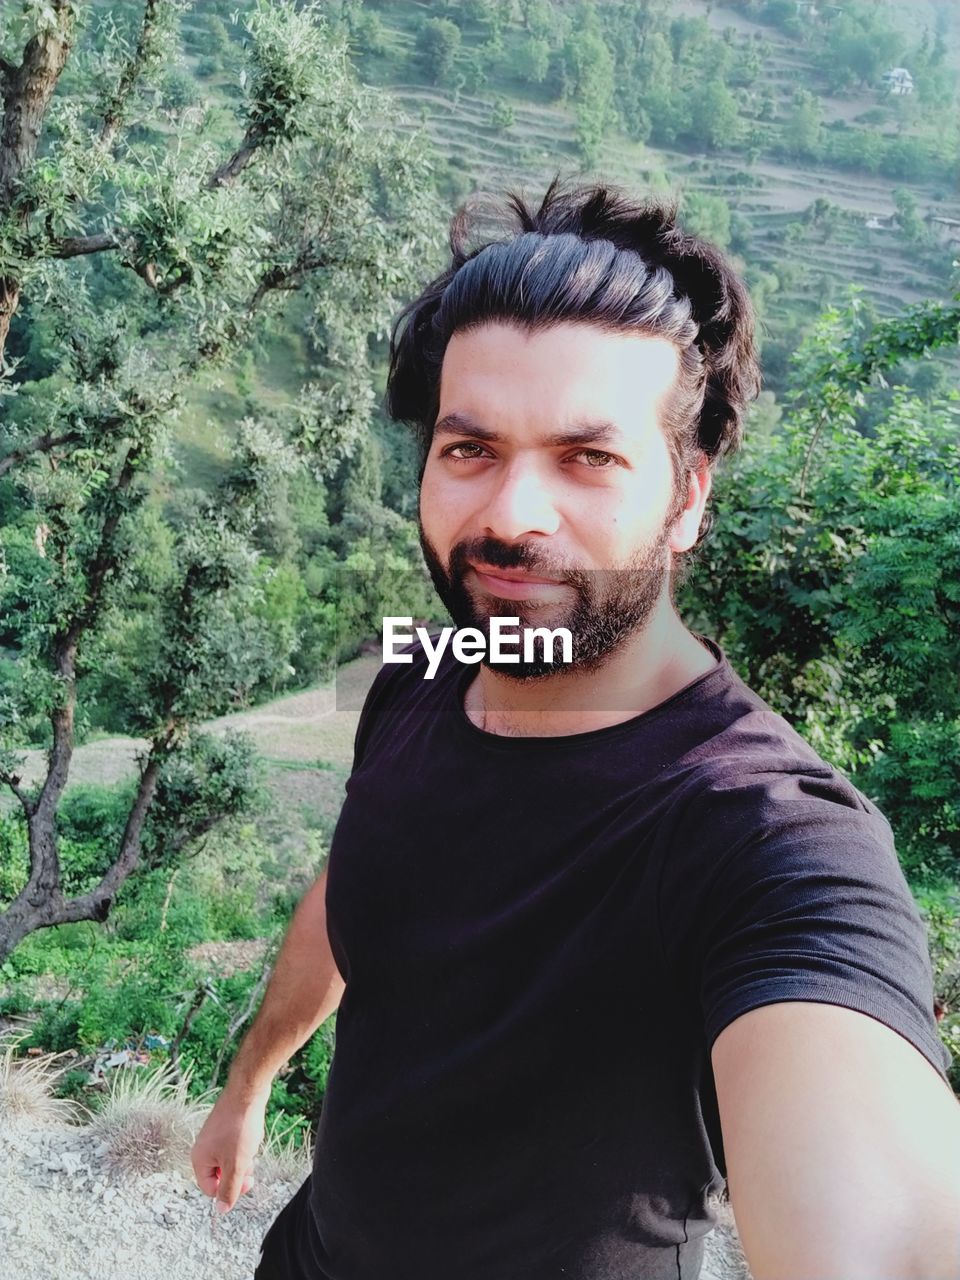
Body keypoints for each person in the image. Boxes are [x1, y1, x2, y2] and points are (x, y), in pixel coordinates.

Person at [191, 177, 960, 1280]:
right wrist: (250, 1079)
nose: (510, 515)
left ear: (688, 494)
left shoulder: (769, 835)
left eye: (588, 457)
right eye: (471, 450)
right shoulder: (423, 670)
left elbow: (885, 1228)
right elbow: (354, 878)